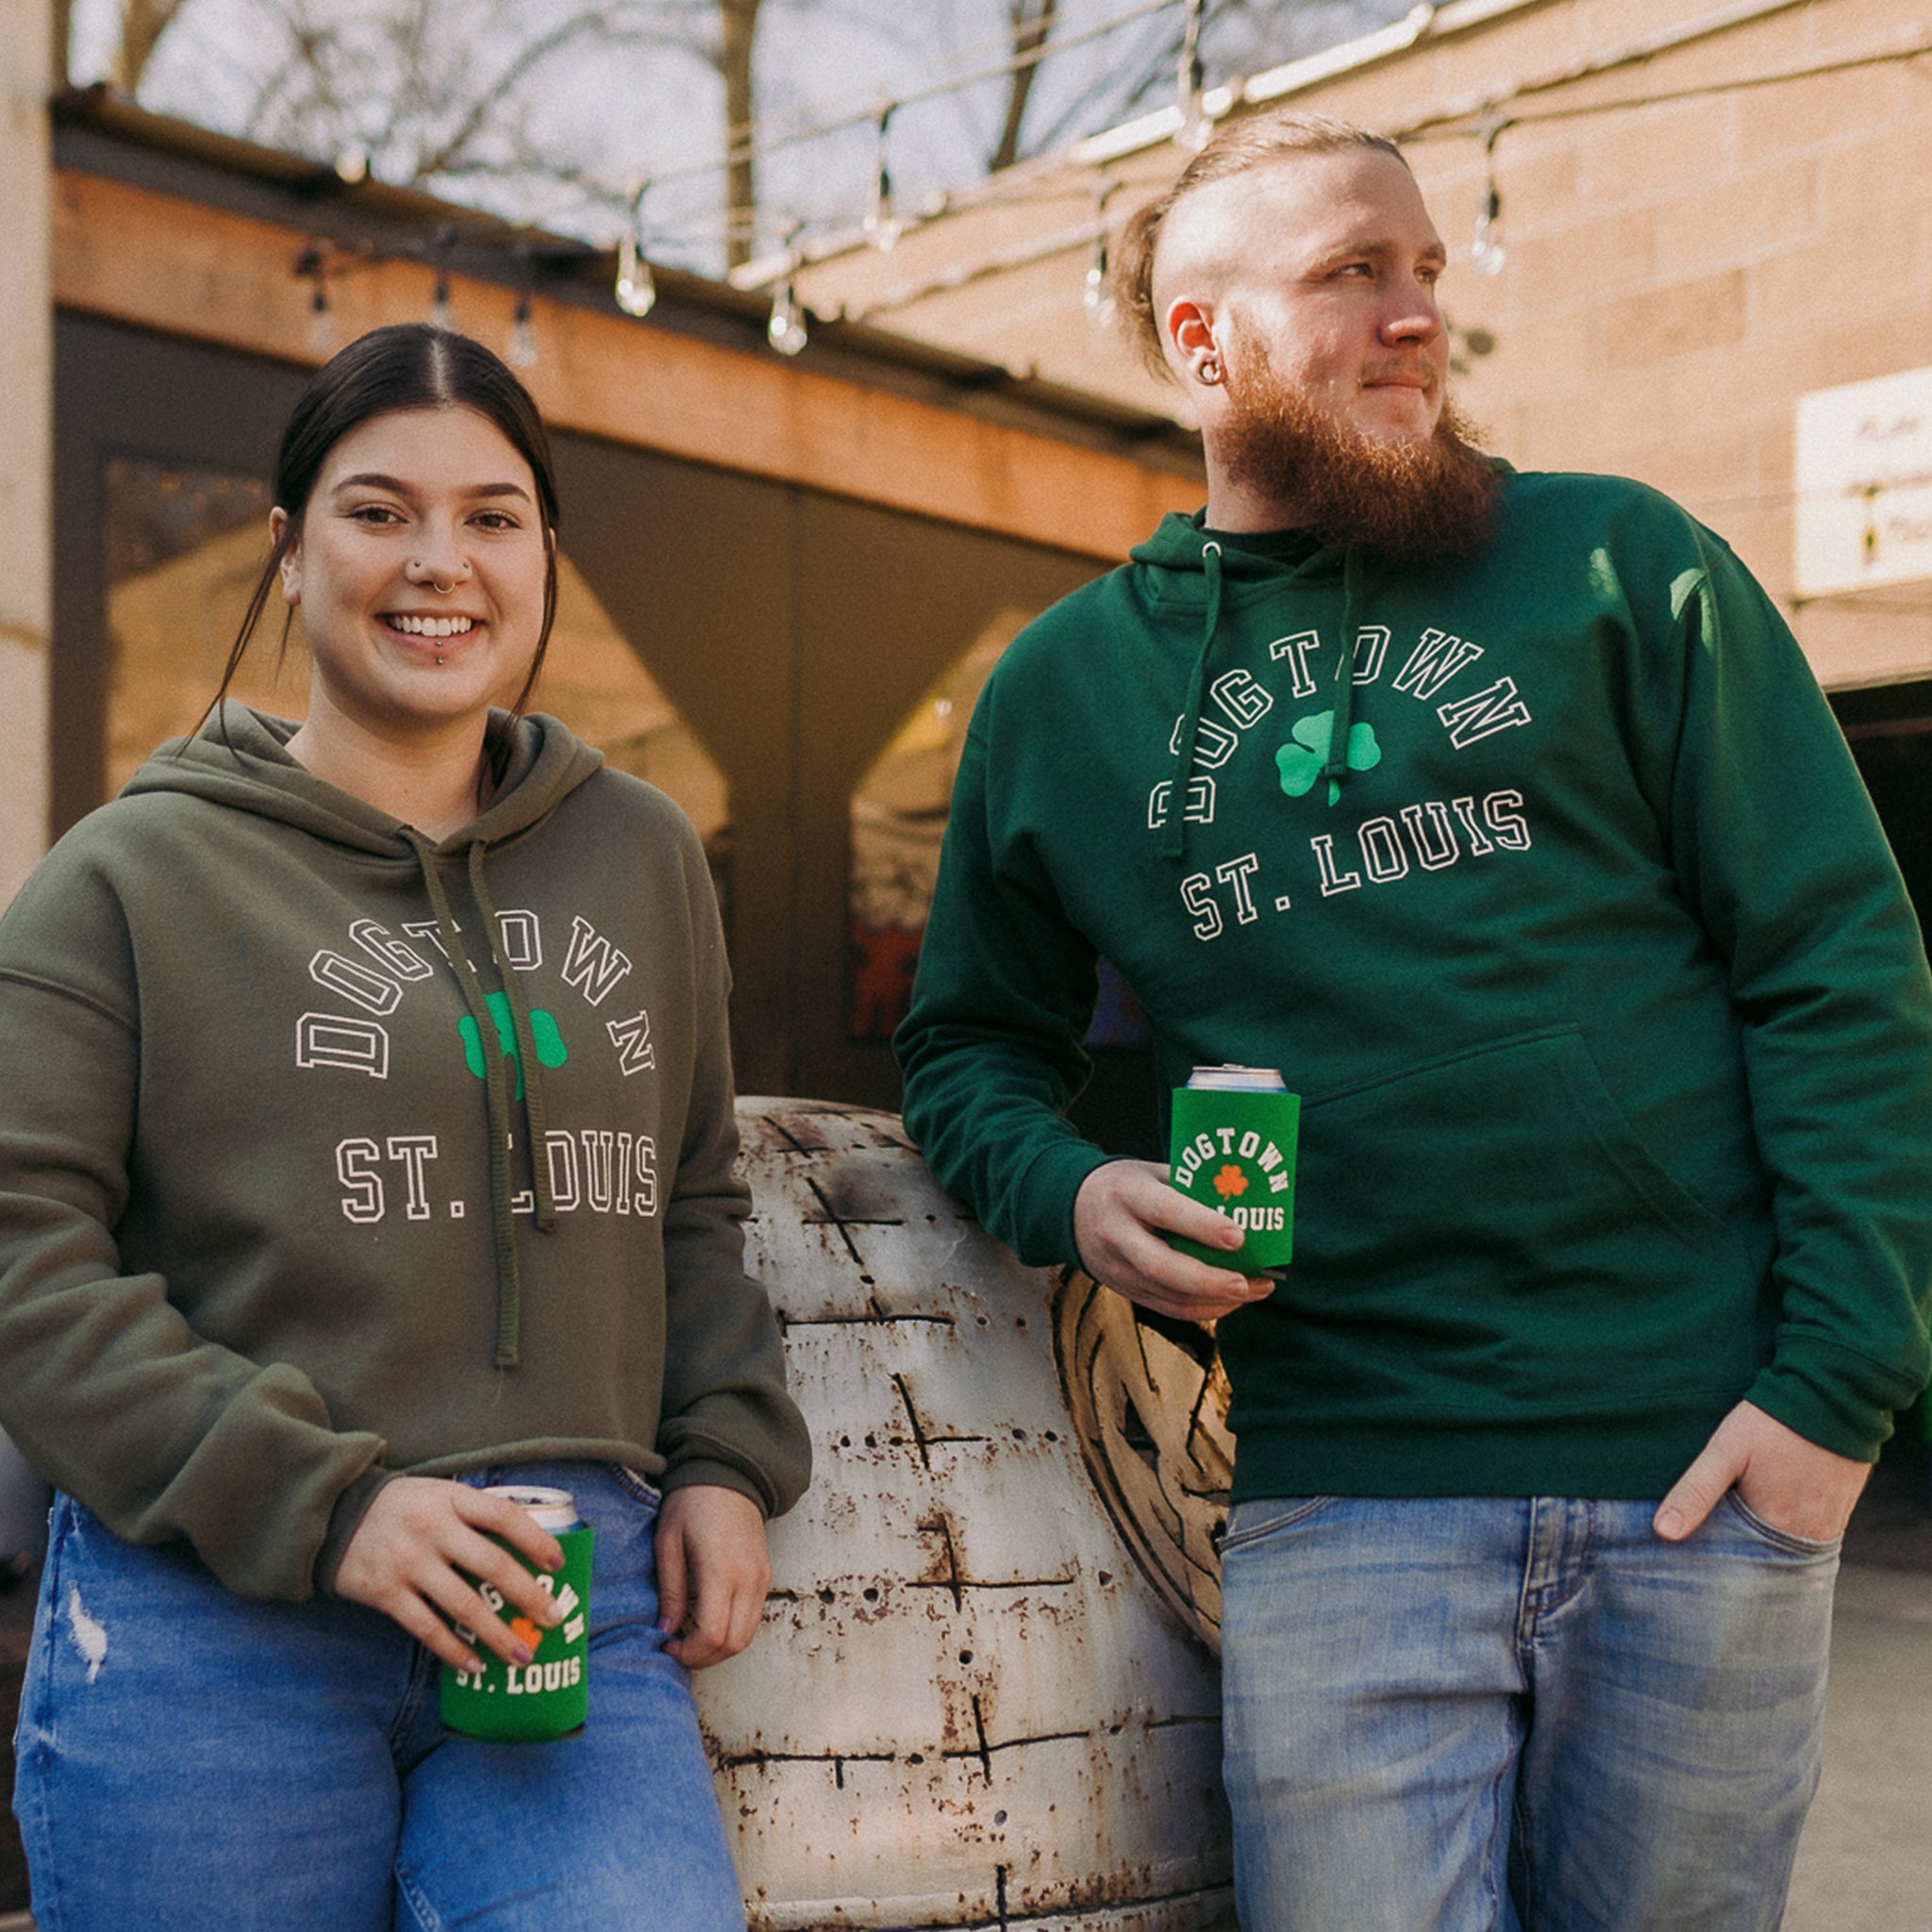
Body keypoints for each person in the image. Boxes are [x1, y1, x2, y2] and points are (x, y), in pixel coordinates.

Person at [895, 111, 1932, 1931]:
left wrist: (1836, 1395)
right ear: (1205, 343)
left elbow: (1836, 966)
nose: (1413, 316)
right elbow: (970, 1047)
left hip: (1699, 1467)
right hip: (1341, 1494)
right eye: (1349, 273)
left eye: (1427, 269)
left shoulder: (1624, 566)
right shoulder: (1065, 694)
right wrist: (1070, 1194)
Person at [0, 324, 809, 1931]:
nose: (441, 562)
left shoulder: (641, 854)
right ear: (291, 552)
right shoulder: (126, 880)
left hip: (563, 1601)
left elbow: (693, 1198)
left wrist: (724, 1452)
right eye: (380, 512)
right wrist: (333, 1507)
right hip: (216, 1608)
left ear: (542, 556)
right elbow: (24, 1263)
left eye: (492, 516)